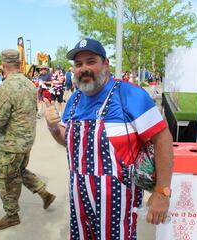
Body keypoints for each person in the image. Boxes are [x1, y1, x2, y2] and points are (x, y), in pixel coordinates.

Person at [44, 38, 174, 239]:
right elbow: (69, 143)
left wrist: (161, 192)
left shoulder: (130, 95)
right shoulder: (74, 100)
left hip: (117, 204)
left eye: (91, 61)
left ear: (105, 64)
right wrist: (53, 128)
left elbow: (163, 140)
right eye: (78, 64)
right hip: (79, 202)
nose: (83, 68)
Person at [0, 49, 56, 230]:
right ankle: (44, 193)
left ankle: (11, 215)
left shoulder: (6, 87)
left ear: (3, 64)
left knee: (6, 178)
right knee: (19, 170)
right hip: (27, 140)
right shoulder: (29, 84)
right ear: (19, 62)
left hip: (11, 143)